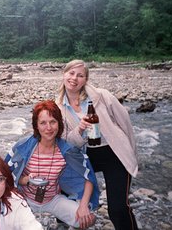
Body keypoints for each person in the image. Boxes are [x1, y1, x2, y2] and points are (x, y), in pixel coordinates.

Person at [56, 59, 139, 230]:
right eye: (71, 73)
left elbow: (125, 123)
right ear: (64, 75)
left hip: (114, 154)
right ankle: (62, 226)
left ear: (85, 79)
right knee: (62, 192)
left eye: (80, 75)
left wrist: (131, 153)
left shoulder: (102, 96)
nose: (74, 78)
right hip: (85, 157)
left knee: (118, 209)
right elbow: (67, 143)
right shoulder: (58, 109)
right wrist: (79, 129)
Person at [4, 100, 99, 229]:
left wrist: (83, 206)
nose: (48, 128)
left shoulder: (67, 150)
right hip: (25, 200)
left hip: (53, 200)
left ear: (59, 124)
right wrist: (25, 180)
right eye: (43, 123)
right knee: (6, 219)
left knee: (88, 219)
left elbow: (88, 177)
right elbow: (5, 175)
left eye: (53, 122)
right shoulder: (23, 148)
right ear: (36, 125)